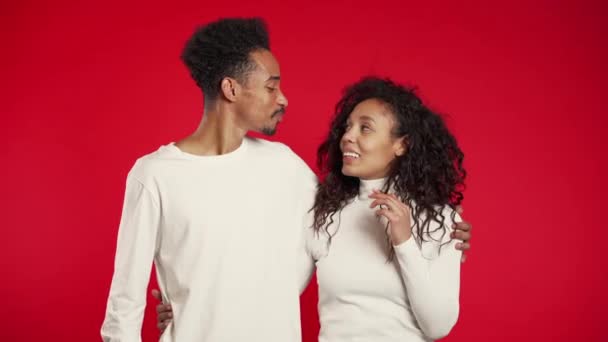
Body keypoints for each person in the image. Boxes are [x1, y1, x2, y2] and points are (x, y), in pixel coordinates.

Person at [101, 16, 472, 341]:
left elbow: (324, 239)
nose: (283, 99)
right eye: (271, 86)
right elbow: (125, 306)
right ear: (231, 89)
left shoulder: (284, 166)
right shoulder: (155, 175)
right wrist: (189, 302)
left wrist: (438, 230)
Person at [156, 77, 471, 342]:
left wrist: (404, 242)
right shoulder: (325, 215)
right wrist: (191, 307)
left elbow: (438, 325)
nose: (347, 137)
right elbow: (273, 291)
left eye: (365, 128)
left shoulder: (441, 219)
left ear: (401, 144)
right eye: (347, 127)